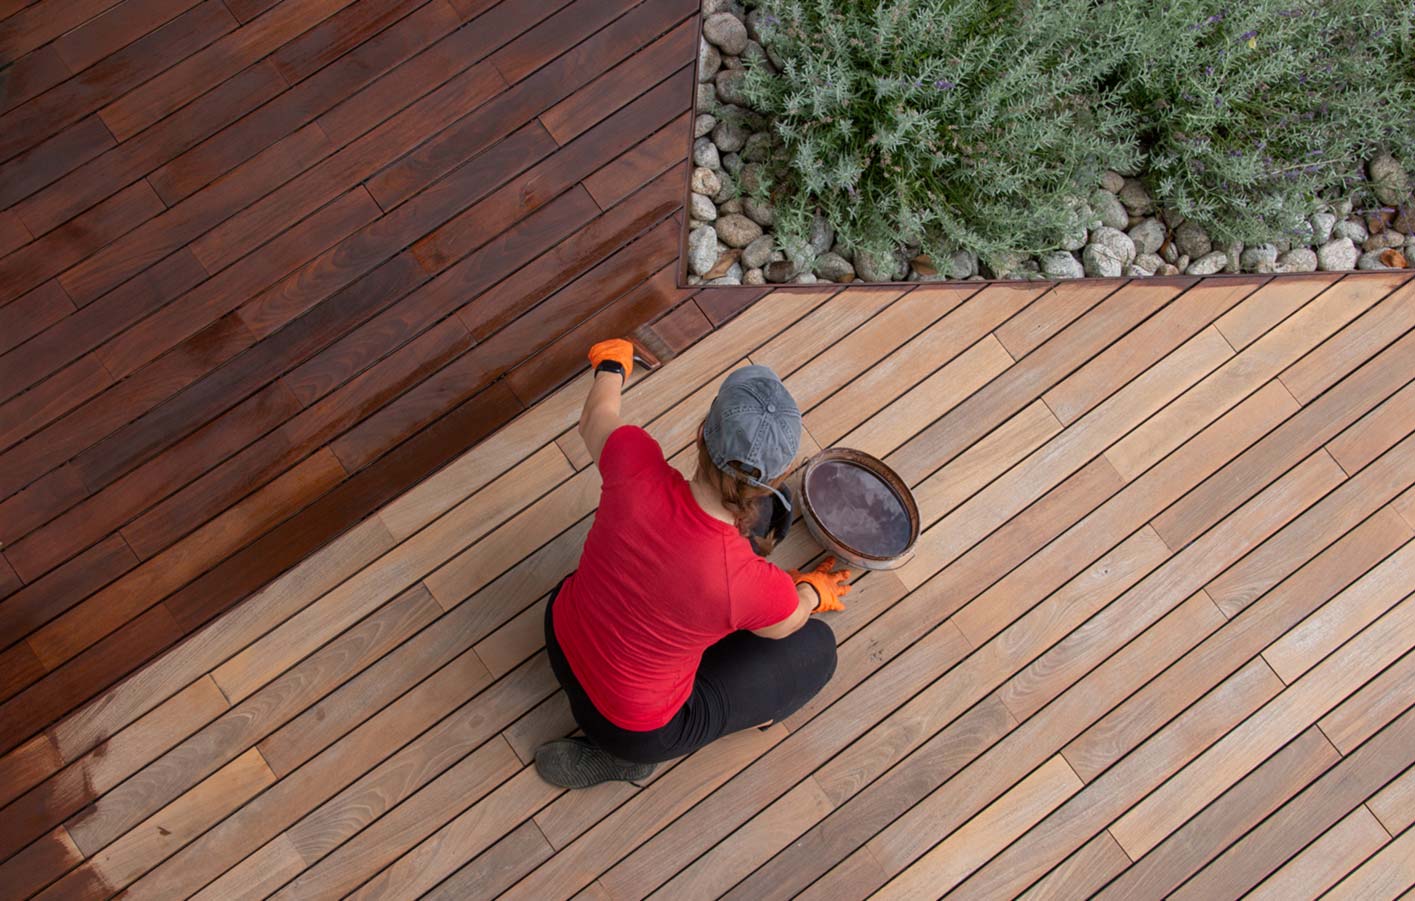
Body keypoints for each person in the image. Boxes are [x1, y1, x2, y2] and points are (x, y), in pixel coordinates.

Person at [534, 338, 852, 789]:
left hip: (561, 635)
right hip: (630, 730)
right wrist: (810, 590)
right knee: (817, 648)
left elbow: (595, 417)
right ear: (779, 478)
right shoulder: (752, 585)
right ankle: (623, 763)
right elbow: (789, 622)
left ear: (701, 433)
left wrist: (611, 364)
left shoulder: (632, 461)